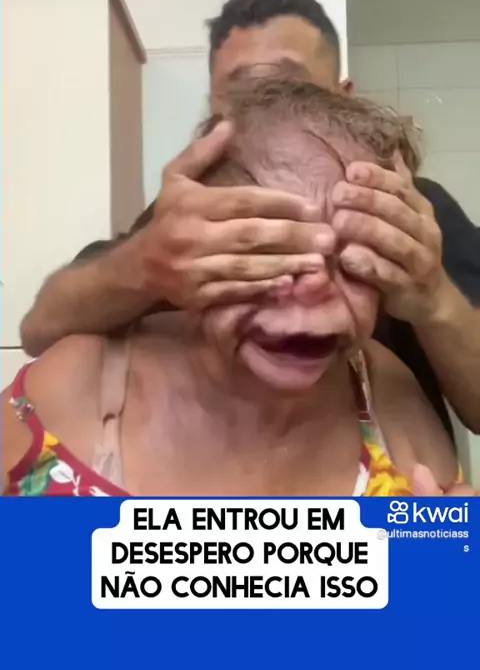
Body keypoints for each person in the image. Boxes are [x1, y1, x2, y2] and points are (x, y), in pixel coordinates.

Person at [20, 0, 480, 439]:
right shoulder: (184, 218)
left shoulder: (414, 216)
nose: (266, 110)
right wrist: (142, 263)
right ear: (213, 111)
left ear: (345, 99)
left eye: (291, 88)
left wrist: (436, 299)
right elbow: (40, 330)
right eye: (241, 95)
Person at [2, 80, 474, 497]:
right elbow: (40, 325)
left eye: (354, 262)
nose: (315, 288)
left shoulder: (390, 397)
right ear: (189, 251)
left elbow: (433, 564)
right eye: (268, 248)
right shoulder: (77, 385)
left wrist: (441, 556)